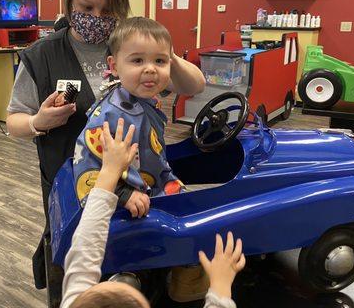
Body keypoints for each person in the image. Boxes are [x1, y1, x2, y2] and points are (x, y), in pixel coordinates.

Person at [5, 0, 205, 298]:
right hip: (74, 184)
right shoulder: (42, 55)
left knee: (136, 262)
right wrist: (38, 122)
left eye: (108, 9)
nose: (97, 17)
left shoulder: (132, 46)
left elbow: (195, 86)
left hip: (138, 183)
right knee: (82, 267)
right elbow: (14, 121)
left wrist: (160, 50)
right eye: (86, 7)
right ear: (69, 4)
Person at [61, 118, 246, 308]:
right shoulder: (76, 298)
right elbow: (84, 251)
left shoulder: (75, 302)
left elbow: (86, 243)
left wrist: (109, 170)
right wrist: (221, 288)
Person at [72, 17, 185, 218]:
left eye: (160, 61)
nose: (150, 68)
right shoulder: (110, 115)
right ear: (114, 66)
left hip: (154, 185)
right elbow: (87, 169)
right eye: (137, 60)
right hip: (124, 204)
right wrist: (122, 194)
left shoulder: (148, 100)